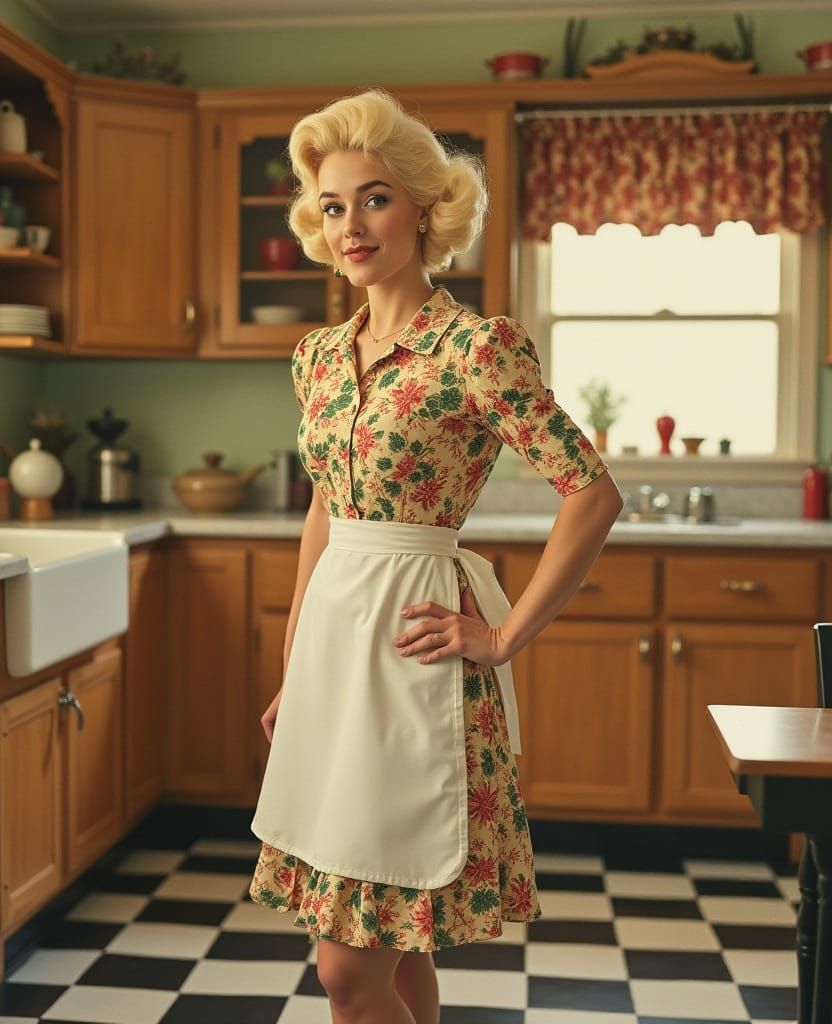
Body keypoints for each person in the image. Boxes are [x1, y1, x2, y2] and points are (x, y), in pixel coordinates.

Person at [248, 87, 623, 1024]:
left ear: (424, 207)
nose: (351, 225)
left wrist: (502, 636)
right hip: (334, 655)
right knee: (394, 936)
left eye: (374, 198)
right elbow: (324, 513)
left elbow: (593, 492)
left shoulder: (476, 347)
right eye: (333, 206)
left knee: (347, 966)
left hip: (417, 653)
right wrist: (296, 665)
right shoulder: (320, 357)